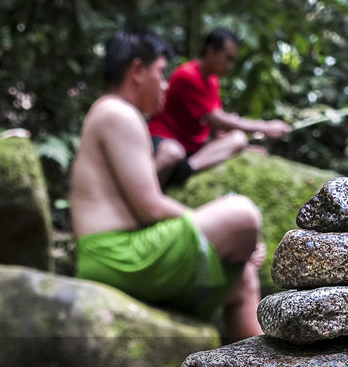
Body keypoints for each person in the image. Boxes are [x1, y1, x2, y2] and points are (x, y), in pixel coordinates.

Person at [69, 29, 265, 341]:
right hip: (116, 256)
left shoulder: (114, 113)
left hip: (127, 253)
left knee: (242, 277)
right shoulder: (116, 112)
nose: (164, 85)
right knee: (242, 214)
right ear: (137, 71)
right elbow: (150, 207)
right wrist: (222, 228)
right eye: (161, 73)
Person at [149, 27, 292, 186]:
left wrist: (244, 147)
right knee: (171, 153)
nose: (229, 65)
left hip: (192, 149)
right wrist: (265, 127)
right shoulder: (188, 75)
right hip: (164, 139)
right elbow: (216, 118)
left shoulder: (212, 81)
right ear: (210, 51)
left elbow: (216, 130)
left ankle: (184, 170)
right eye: (227, 58)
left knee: (238, 139)